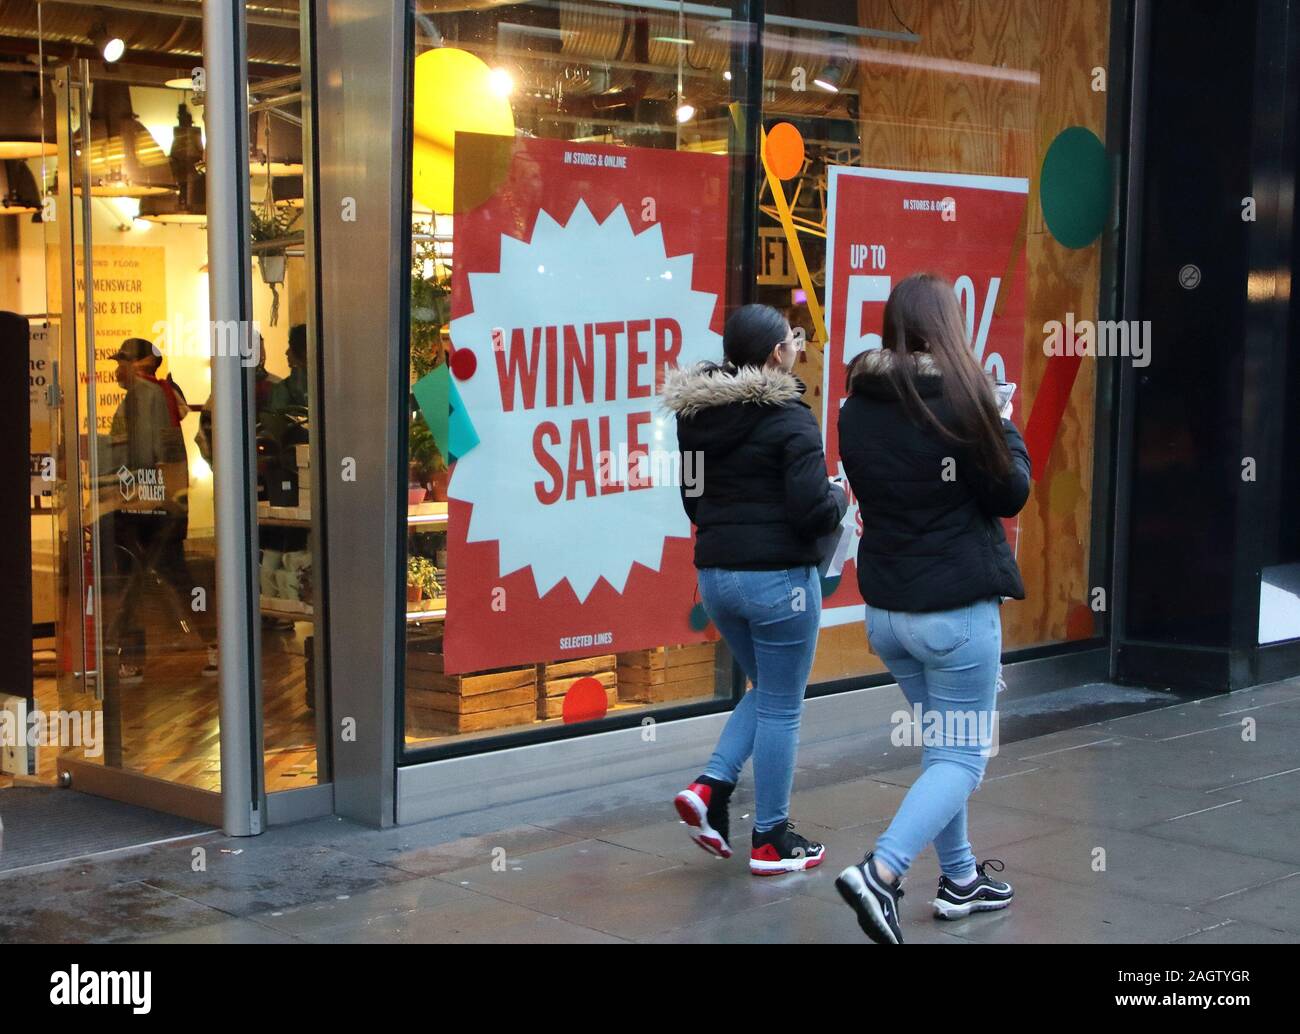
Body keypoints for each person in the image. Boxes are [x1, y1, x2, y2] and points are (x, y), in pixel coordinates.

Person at [832, 273, 1031, 943]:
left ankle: (961, 878)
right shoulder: (964, 403)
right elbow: (1010, 494)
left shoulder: (856, 405)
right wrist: (1003, 422)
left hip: (888, 612)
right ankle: (881, 873)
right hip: (953, 614)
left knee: (941, 753)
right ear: (948, 326)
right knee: (962, 760)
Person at [662, 303, 847, 876]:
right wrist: (841, 496)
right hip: (780, 581)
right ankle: (769, 838)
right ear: (775, 354)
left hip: (716, 576)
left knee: (768, 689)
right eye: (793, 339)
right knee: (784, 706)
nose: (797, 346)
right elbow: (813, 511)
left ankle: (712, 787)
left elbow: (691, 499)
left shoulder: (691, 418)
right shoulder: (793, 419)